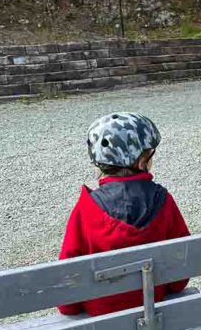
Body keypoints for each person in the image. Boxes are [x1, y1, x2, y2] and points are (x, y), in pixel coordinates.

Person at [57, 113, 191, 316]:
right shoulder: (163, 202)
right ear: (141, 162)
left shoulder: (85, 210)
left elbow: (67, 300)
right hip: (155, 321)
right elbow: (179, 278)